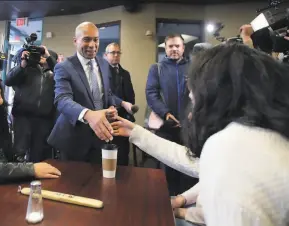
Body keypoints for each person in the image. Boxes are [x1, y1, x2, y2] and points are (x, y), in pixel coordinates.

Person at [112, 43, 289, 225]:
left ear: (217, 95)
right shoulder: (261, 138)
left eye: (193, 97)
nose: (190, 112)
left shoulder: (227, 146)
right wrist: (134, 131)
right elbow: (196, 162)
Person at [47, 22, 133, 163]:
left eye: (96, 39)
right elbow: (62, 100)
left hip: (101, 138)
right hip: (74, 141)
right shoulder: (64, 67)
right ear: (75, 41)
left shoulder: (104, 64)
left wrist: (112, 107)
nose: (92, 44)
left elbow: (107, 93)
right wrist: (88, 114)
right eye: (87, 39)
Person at [146, 34, 198, 195]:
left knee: (189, 167)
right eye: (170, 46)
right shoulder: (157, 68)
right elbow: (151, 93)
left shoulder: (194, 67)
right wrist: (166, 114)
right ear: (165, 48)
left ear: (183, 48)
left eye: (177, 46)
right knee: (167, 168)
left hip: (190, 127)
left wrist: (193, 113)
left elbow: (201, 92)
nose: (174, 49)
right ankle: (169, 205)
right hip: (166, 126)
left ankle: (186, 204)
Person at [5, 46, 57, 163]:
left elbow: (61, 72)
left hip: (44, 119)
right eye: (39, 56)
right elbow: (8, 81)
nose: (40, 58)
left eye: (44, 56)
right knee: (19, 152)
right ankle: (16, 178)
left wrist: (48, 57)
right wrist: (23, 64)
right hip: (22, 117)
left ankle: (35, 178)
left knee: (38, 154)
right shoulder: (25, 69)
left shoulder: (54, 74)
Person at [104, 42, 135, 165]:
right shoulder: (101, 73)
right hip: (107, 117)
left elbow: (131, 96)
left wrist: (129, 110)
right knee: (108, 153)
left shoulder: (125, 74)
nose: (116, 55)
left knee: (122, 153)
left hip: (123, 117)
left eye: (118, 52)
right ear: (106, 55)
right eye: (113, 52)